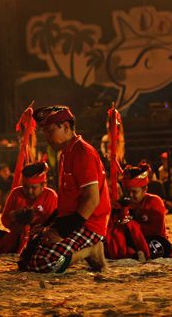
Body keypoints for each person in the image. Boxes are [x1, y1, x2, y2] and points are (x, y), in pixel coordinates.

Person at [20, 106, 111, 273]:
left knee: (43, 263)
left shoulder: (82, 152)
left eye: (50, 131)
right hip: (71, 219)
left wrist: (62, 232)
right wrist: (48, 226)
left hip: (89, 223)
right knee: (26, 258)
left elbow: (92, 200)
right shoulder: (66, 153)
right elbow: (68, 202)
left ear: (66, 127)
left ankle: (92, 250)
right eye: (44, 132)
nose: (46, 137)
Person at [106, 163, 172, 260]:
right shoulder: (123, 203)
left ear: (144, 189)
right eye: (127, 191)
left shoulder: (154, 201)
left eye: (134, 192)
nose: (130, 195)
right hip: (132, 241)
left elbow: (156, 230)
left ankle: (135, 253)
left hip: (153, 239)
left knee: (158, 246)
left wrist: (133, 225)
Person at [0, 162, 58, 254]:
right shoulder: (16, 193)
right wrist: (14, 219)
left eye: (33, 188)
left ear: (43, 185)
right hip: (16, 237)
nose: (29, 191)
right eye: (26, 187)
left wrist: (38, 226)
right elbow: (4, 219)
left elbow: (54, 224)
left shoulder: (50, 196)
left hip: (40, 241)